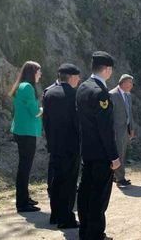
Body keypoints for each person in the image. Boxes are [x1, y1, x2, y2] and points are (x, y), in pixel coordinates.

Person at [76, 51, 121, 240]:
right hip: (101, 154)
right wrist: (114, 157)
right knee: (99, 196)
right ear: (108, 69)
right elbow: (105, 130)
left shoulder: (83, 87)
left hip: (86, 151)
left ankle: (84, 231)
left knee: (85, 192)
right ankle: (94, 234)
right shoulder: (101, 93)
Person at [43, 63, 82, 228]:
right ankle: (66, 218)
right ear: (72, 77)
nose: (79, 80)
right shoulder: (74, 95)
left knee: (56, 181)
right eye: (78, 77)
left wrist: (51, 141)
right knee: (69, 183)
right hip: (71, 146)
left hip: (55, 145)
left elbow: (46, 121)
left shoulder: (49, 93)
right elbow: (78, 123)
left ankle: (55, 215)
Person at [8, 61, 43, 212]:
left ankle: (24, 197)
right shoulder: (28, 87)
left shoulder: (22, 86)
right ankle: (22, 203)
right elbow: (34, 111)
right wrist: (43, 108)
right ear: (32, 72)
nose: (40, 75)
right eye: (38, 72)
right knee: (24, 167)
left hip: (22, 131)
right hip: (26, 132)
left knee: (24, 166)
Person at [109, 74, 136, 188]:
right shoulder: (112, 94)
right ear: (124, 83)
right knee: (118, 153)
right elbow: (108, 116)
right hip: (115, 130)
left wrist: (132, 129)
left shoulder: (128, 95)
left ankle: (116, 176)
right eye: (130, 82)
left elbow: (129, 113)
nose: (132, 85)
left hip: (125, 130)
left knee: (122, 152)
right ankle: (120, 179)